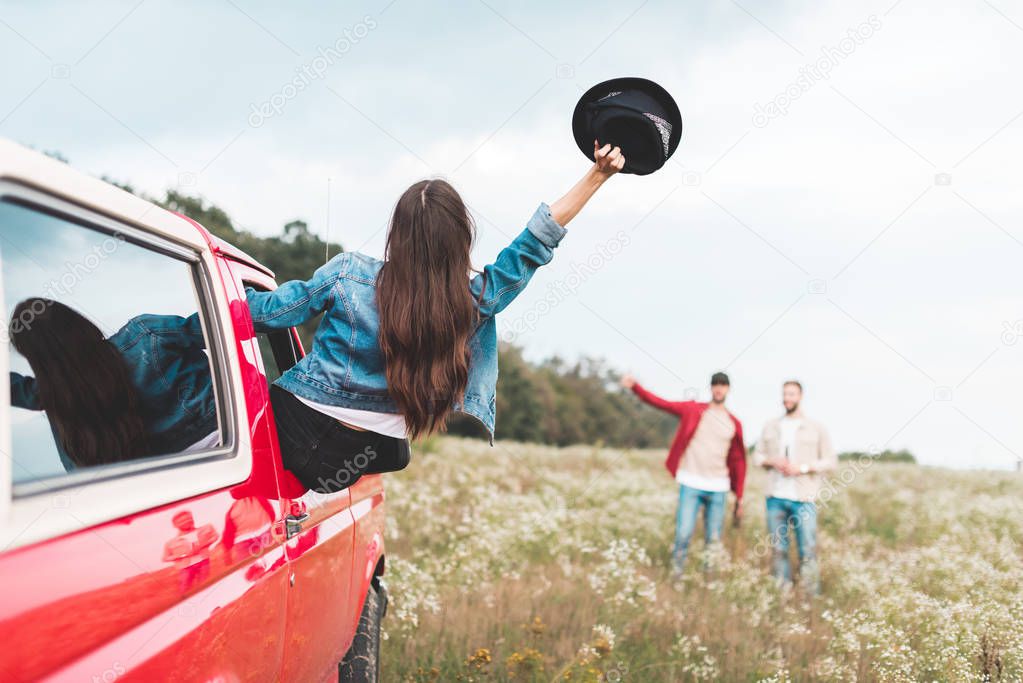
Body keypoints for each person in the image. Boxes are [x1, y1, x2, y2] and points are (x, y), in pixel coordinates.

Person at [246, 142, 626, 493]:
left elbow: (267, 313)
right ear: (461, 238)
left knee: (204, 375)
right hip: (357, 457)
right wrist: (598, 175)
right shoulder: (470, 299)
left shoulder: (349, 273)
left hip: (295, 428)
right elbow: (534, 242)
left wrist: (216, 296)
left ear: (397, 232)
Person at [9, 298, 220, 471]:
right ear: (77, 323)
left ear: (36, 360)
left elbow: (16, 388)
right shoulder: (145, 336)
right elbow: (222, 321)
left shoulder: (57, 396)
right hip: (229, 454)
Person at [621, 371, 746, 575]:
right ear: (711, 388)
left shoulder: (734, 423)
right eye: (715, 384)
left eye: (723, 385)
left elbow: (739, 461)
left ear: (728, 389)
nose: (719, 388)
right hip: (691, 481)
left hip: (718, 487)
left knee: (713, 539)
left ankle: (709, 579)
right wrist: (636, 387)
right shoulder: (693, 410)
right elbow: (661, 403)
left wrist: (739, 496)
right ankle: (676, 576)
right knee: (683, 533)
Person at [752, 380, 836, 594]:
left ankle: (811, 597)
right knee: (778, 550)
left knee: (807, 550)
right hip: (775, 497)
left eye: (791, 394)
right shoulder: (771, 425)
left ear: (800, 396)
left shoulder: (816, 427)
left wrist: (803, 468)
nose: (787, 398)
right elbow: (757, 457)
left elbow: (830, 461)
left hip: (803, 499)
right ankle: (783, 594)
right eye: (784, 394)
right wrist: (772, 461)